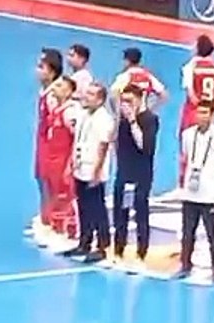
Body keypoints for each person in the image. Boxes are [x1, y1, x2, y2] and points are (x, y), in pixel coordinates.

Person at [175, 101, 214, 283]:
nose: (201, 116)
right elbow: (186, 156)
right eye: (199, 112)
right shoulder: (187, 135)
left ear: (212, 115)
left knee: (213, 234)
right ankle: (185, 265)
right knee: (187, 232)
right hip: (190, 193)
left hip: (210, 194)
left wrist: (213, 177)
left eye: (205, 113)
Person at [64, 83, 116, 263]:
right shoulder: (83, 114)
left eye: (91, 94)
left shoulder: (104, 119)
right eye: (86, 93)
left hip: (93, 169)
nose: (86, 97)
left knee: (97, 208)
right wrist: (72, 162)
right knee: (83, 206)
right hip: (80, 166)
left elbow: (103, 147)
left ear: (101, 100)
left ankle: (102, 245)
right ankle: (84, 242)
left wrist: (97, 171)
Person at [113, 85, 159, 266]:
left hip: (141, 174)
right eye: (123, 101)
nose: (126, 105)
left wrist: (133, 122)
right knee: (120, 212)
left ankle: (141, 252)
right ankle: (118, 249)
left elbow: (145, 147)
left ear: (140, 100)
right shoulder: (122, 120)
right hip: (124, 172)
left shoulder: (150, 120)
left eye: (130, 101)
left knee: (140, 212)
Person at [39, 76, 80, 245]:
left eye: (59, 85)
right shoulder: (57, 108)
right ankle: (56, 228)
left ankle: (68, 231)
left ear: (69, 91)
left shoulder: (70, 111)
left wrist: (71, 162)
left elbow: (76, 136)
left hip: (63, 158)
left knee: (64, 194)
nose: (54, 88)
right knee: (54, 192)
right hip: (53, 157)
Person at [181, 35, 214, 185]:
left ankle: (183, 182)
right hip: (210, 110)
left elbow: (190, 91)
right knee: (207, 145)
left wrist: (198, 108)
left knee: (188, 145)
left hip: (193, 110)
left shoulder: (191, 66)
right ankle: (205, 180)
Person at [33, 49, 64, 241]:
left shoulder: (54, 94)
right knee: (40, 177)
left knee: (51, 181)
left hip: (52, 144)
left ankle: (54, 221)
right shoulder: (44, 90)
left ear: (52, 71)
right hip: (43, 140)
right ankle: (46, 217)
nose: (37, 71)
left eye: (41, 67)